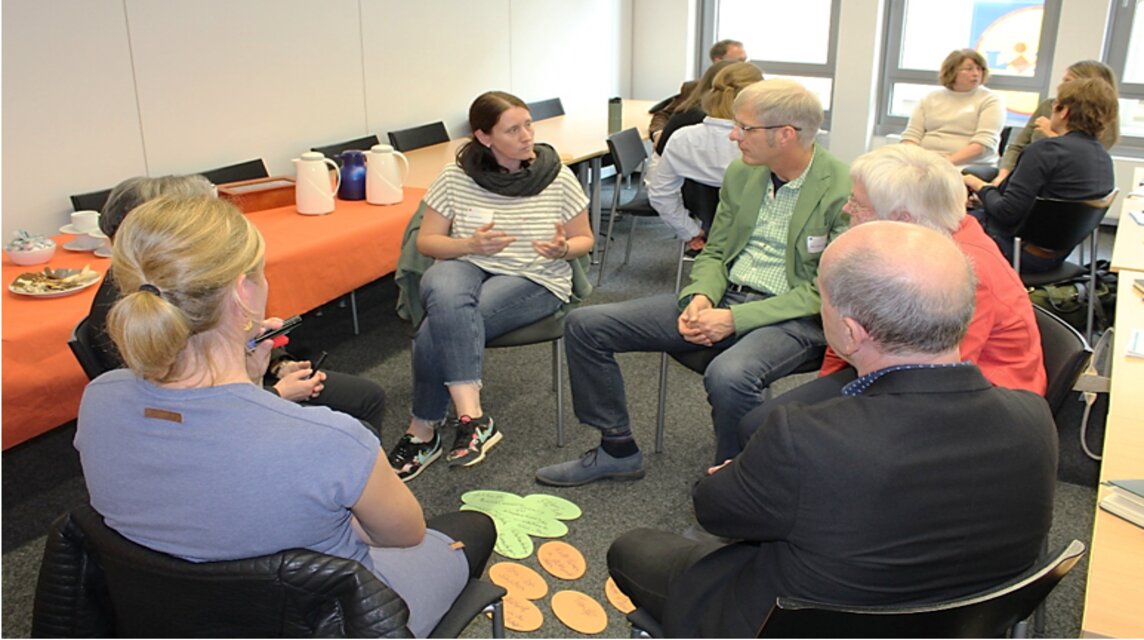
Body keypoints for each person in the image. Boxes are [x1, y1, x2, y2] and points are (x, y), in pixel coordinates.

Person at [606, 221, 1057, 638]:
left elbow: (715, 512)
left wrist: (739, 475)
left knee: (632, 548)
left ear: (849, 330)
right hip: (967, 619)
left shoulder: (803, 437)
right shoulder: (1034, 418)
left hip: (799, 622)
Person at [74, 196, 495, 638]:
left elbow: (203, 478)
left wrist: (252, 385)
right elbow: (404, 535)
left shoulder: (100, 398)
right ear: (242, 292)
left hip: (170, 614)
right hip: (326, 619)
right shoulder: (332, 439)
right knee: (474, 527)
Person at [535, 79, 850, 485]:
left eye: (745, 128)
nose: (734, 135)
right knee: (586, 325)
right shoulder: (743, 173)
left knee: (730, 374)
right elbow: (716, 251)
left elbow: (827, 289)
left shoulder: (843, 186)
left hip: (794, 316)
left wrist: (736, 319)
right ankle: (617, 449)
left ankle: (737, 487)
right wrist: (701, 296)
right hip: (727, 296)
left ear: (786, 135)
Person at [736, 144, 1046, 452]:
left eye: (858, 204)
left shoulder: (961, 273)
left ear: (902, 218)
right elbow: (846, 325)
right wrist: (828, 400)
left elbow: (938, 380)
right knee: (765, 425)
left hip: (976, 408)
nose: (847, 210)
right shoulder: (905, 248)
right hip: (897, 367)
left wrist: (834, 415)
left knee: (777, 432)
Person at [387, 90, 593, 481]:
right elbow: (427, 242)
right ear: (484, 137)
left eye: (528, 124)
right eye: (512, 129)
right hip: (470, 264)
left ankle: (423, 431)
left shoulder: (556, 175)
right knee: (439, 277)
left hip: (536, 277)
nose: (527, 135)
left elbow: (585, 239)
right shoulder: (455, 177)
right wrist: (469, 245)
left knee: (438, 326)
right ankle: (474, 417)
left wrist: (565, 248)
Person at [85, 175, 387, 438]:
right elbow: (186, 415)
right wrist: (275, 394)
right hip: (229, 410)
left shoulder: (188, 281)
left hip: (241, 389)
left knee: (369, 397)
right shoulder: (132, 310)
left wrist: (275, 364)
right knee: (359, 428)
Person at [964, 77, 1117, 272]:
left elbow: (1006, 214)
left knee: (939, 224)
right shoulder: (1102, 158)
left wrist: (979, 185)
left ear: (1064, 111)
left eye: (1055, 105)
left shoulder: (1045, 151)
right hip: (1056, 255)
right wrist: (987, 198)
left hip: (1017, 252)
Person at [647, 61, 762, 249]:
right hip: (760, 239)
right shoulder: (767, 142)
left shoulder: (682, 138)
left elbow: (660, 193)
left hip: (708, 231)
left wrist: (690, 231)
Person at [993, 60, 1120, 185]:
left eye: (1068, 82)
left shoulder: (1100, 119)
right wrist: (1003, 176)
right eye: (1063, 80)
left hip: (1059, 186)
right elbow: (1017, 146)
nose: (1060, 87)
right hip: (1025, 178)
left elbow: (1082, 159)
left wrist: (1051, 133)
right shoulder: (1049, 105)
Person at [901, 48, 1005, 167]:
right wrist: (918, 160)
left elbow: (982, 145)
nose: (976, 73)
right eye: (969, 69)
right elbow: (911, 136)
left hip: (967, 165)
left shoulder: (990, 100)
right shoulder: (930, 98)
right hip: (926, 162)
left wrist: (942, 164)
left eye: (979, 68)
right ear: (951, 71)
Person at [649, 39, 749, 143]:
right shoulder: (693, 88)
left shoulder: (752, 90)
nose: (745, 66)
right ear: (718, 61)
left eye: (745, 60)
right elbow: (664, 115)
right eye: (739, 61)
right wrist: (658, 134)